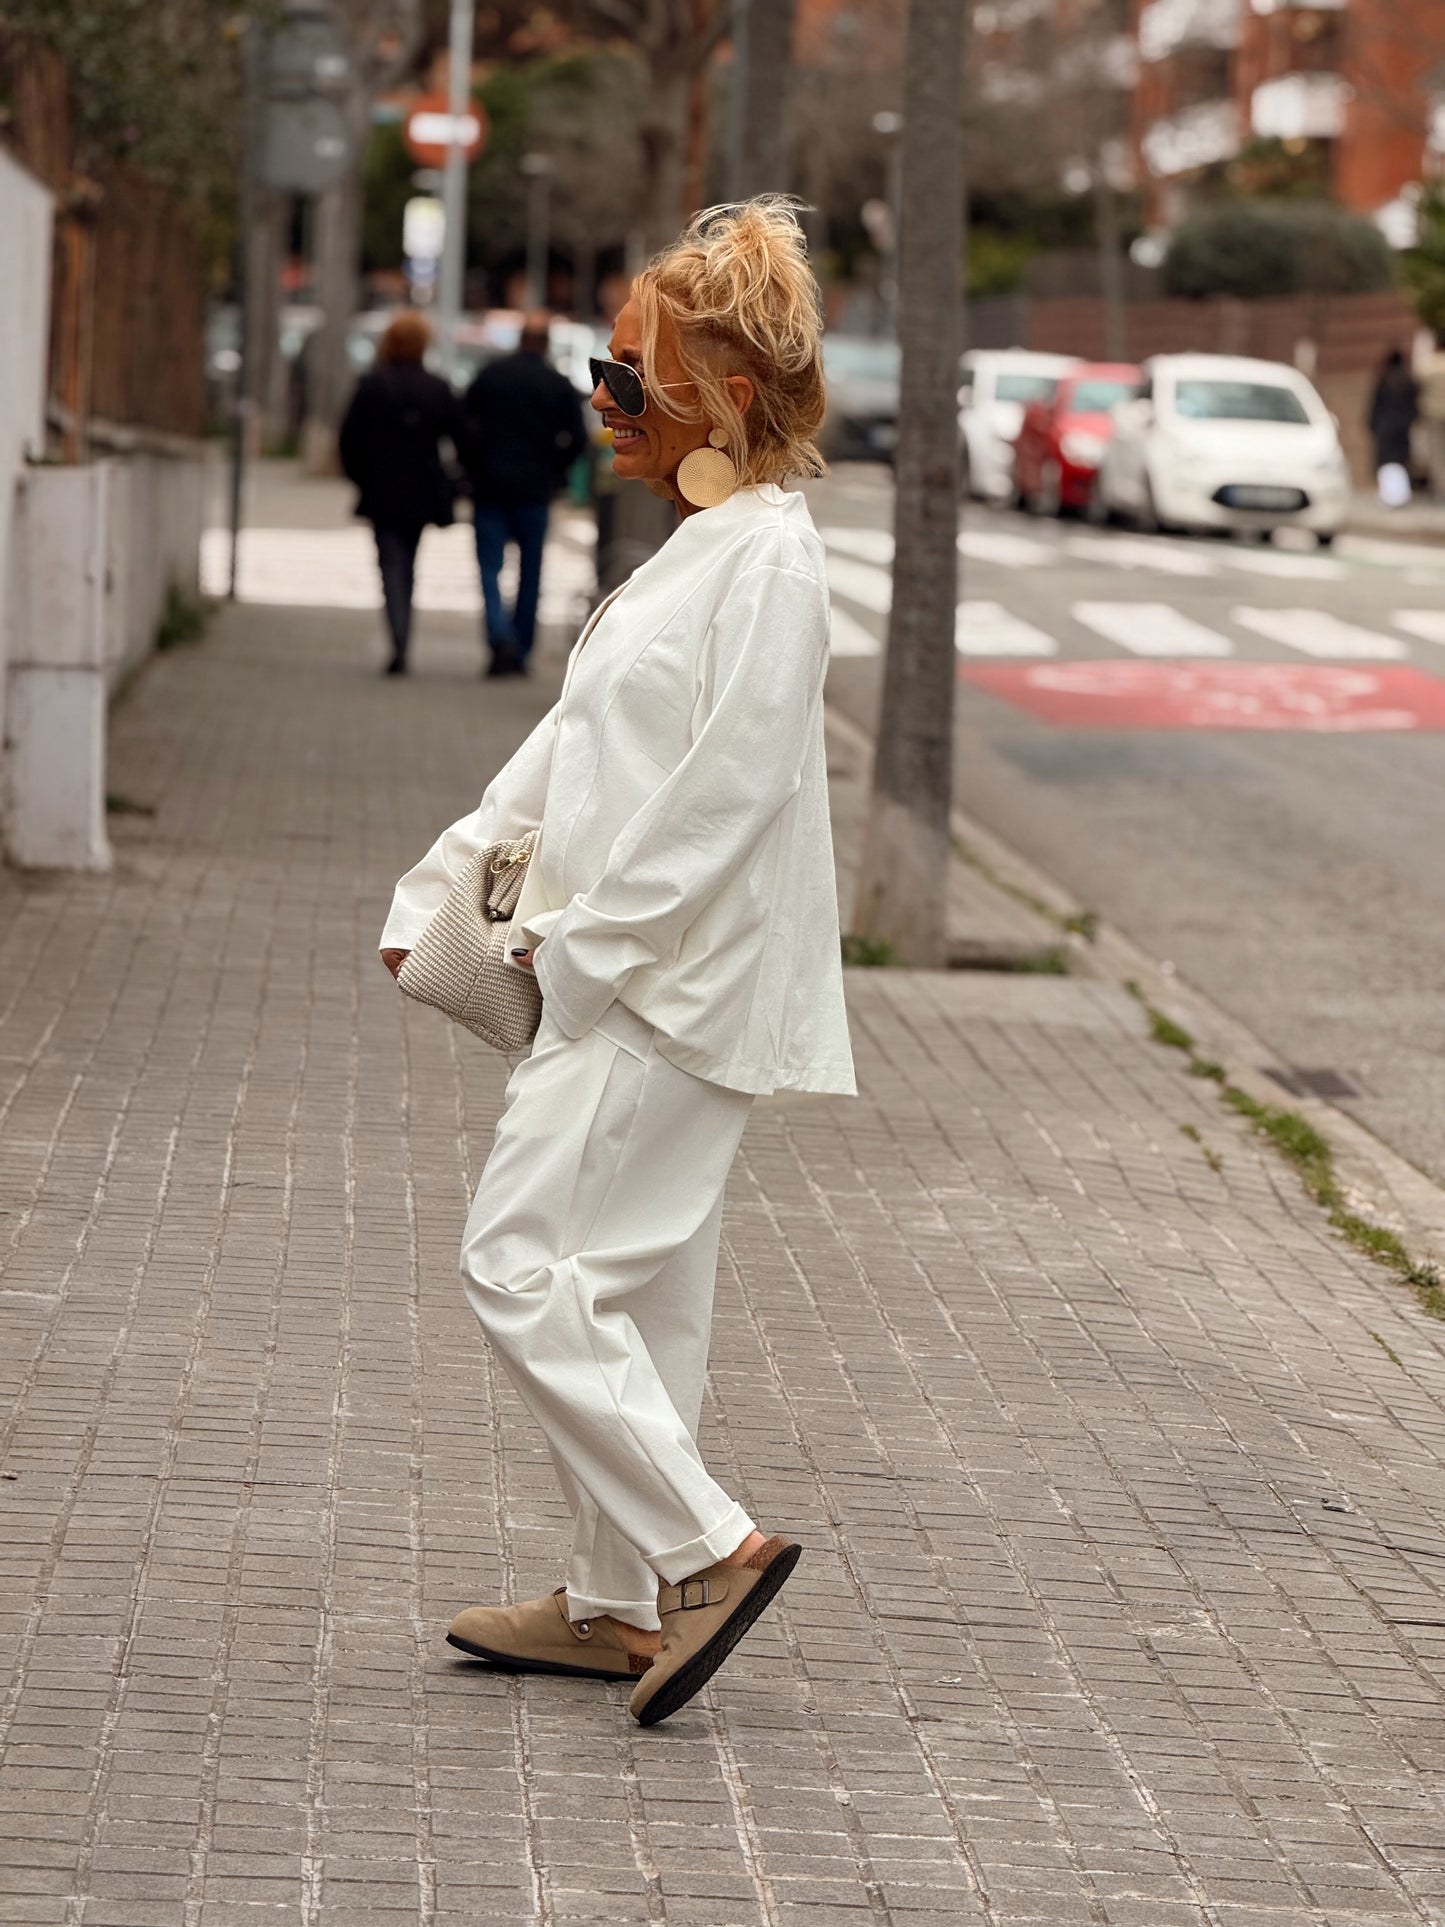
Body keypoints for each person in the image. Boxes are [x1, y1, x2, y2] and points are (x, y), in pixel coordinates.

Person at [378, 198, 854, 1726]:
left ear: (721, 395)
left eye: (627, 375)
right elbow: (569, 747)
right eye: (604, 365)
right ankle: (612, 1603)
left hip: (654, 996)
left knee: (517, 1262)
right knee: (631, 1300)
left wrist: (576, 956)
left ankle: (708, 1547)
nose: (603, 400)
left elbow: (725, 801)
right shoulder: (702, 554)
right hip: (636, 984)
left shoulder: (766, 565)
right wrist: (443, 881)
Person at [459, 312, 587, 677]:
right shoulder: (556, 384)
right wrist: (556, 470)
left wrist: (474, 465)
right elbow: (577, 439)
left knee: (489, 568)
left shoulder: (491, 376)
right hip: (535, 489)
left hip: (490, 486)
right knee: (531, 573)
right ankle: (522, 646)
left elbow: (463, 424)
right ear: (546, 343)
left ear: (519, 339)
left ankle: (499, 636)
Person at [339, 310, 460, 676]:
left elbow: (348, 441)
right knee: (409, 562)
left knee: (390, 564)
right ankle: (402, 636)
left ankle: (399, 639)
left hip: (381, 491)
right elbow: (462, 436)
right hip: (422, 491)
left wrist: (361, 478)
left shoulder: (372, 385)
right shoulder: (436, 388)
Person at [1368, 346, 1419, 509]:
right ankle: (1398, 496)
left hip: (1386, 427)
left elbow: (1375, 405)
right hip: (1403, 428)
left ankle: (1391, 497)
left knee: (1387, 462)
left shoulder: (1385, 379)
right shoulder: (1408, 379)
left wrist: (1372, 424)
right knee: (1399, 461)